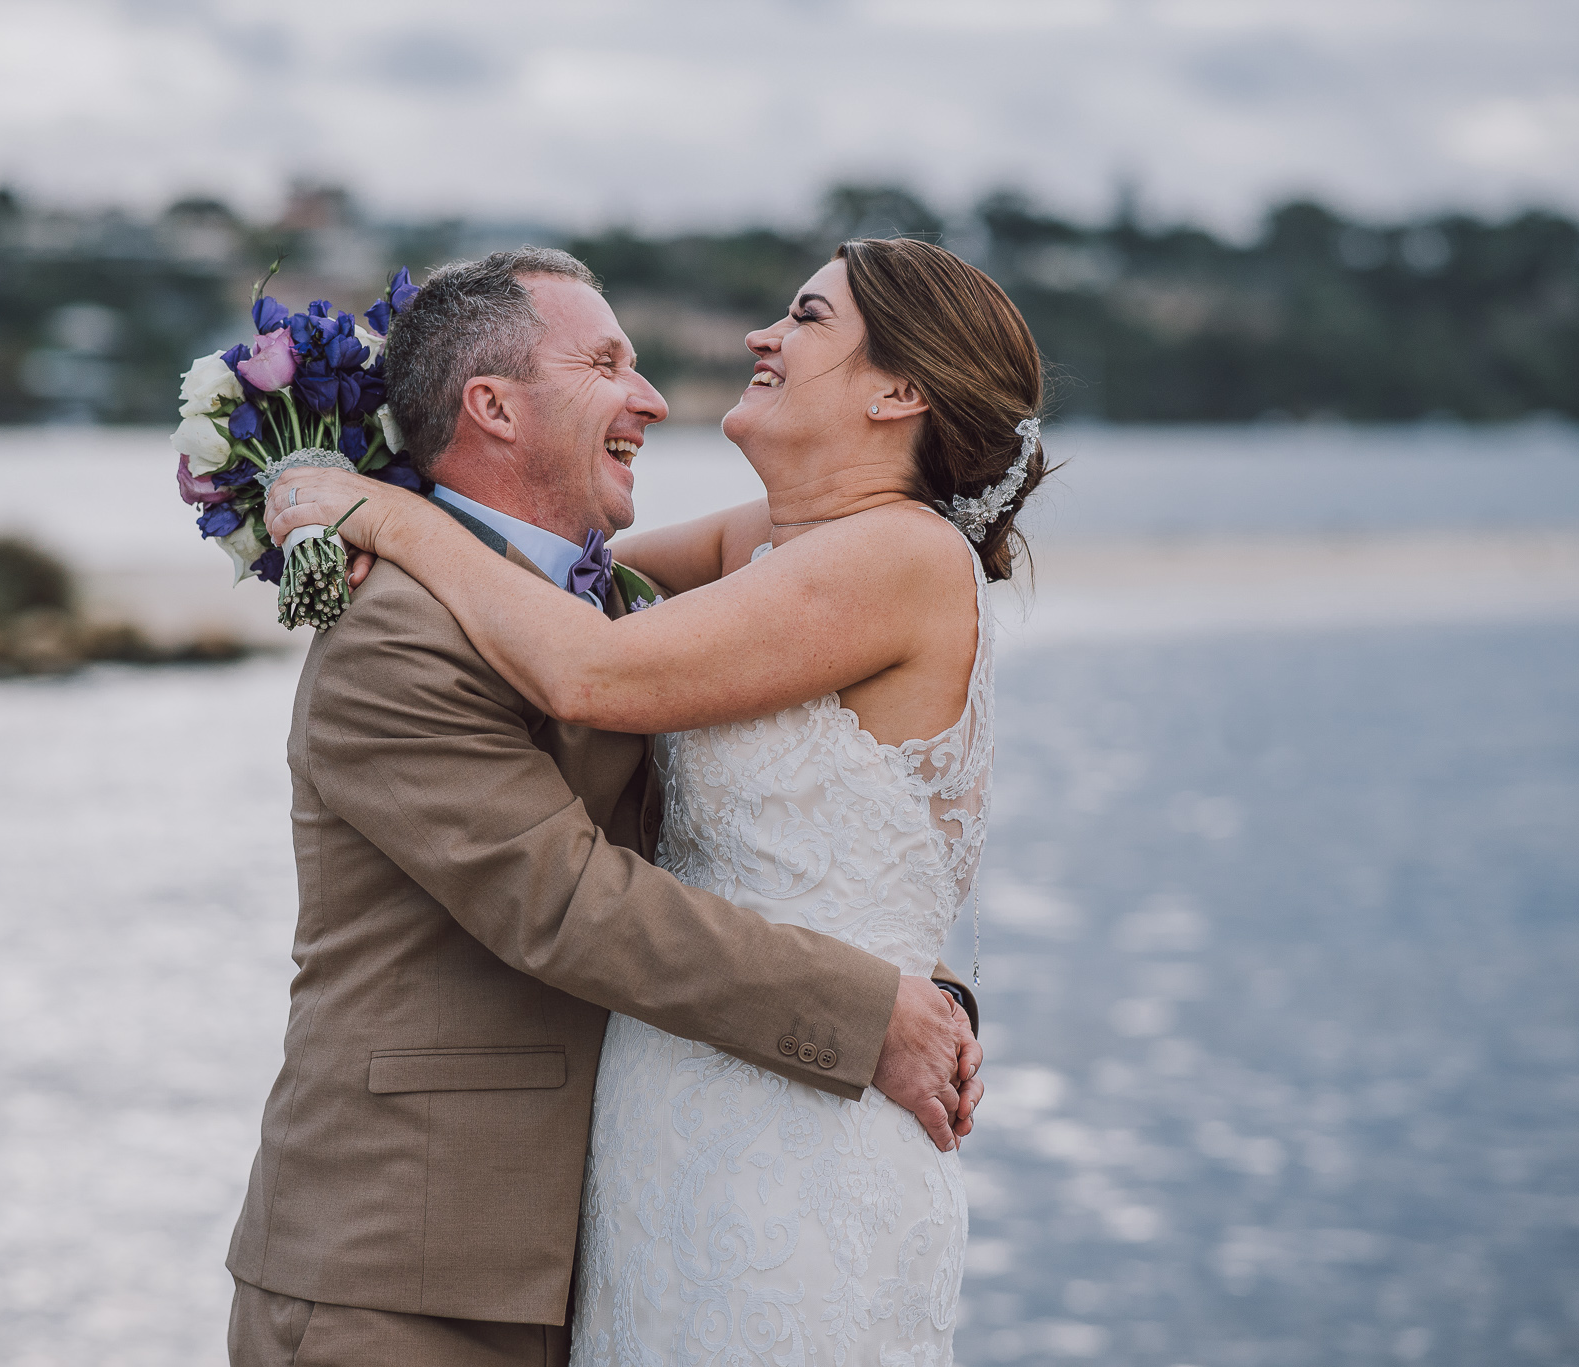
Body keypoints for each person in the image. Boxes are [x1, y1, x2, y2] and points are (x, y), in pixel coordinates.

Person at [269, 236, 1048, 1366]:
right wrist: (386, 533)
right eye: (606, 365)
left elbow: (589, 669)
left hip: (795, 1126)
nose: (757, 336)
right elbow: (556, 588)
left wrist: (384, 517)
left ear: (897, 391)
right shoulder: (760, 549)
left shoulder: (896, 556)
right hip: (654, 1138)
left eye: (805, 317)